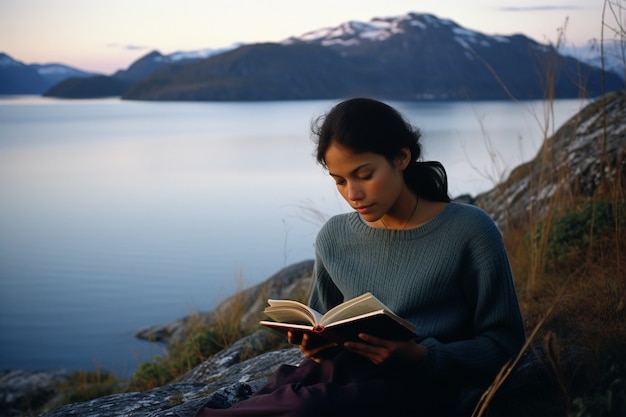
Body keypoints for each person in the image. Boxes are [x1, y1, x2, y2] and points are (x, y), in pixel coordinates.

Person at [194, 97, 525, 416]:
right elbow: (323, 322)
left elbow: (505, 343)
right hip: (344, 376)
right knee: (281, 402)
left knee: (305, 409)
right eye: (339, 181)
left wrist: (421, 356)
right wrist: (312, 345)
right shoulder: (334, 236)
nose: (352, 194)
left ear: (401, 157)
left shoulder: (469, 230)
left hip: (425, 385)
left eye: (364, 175)